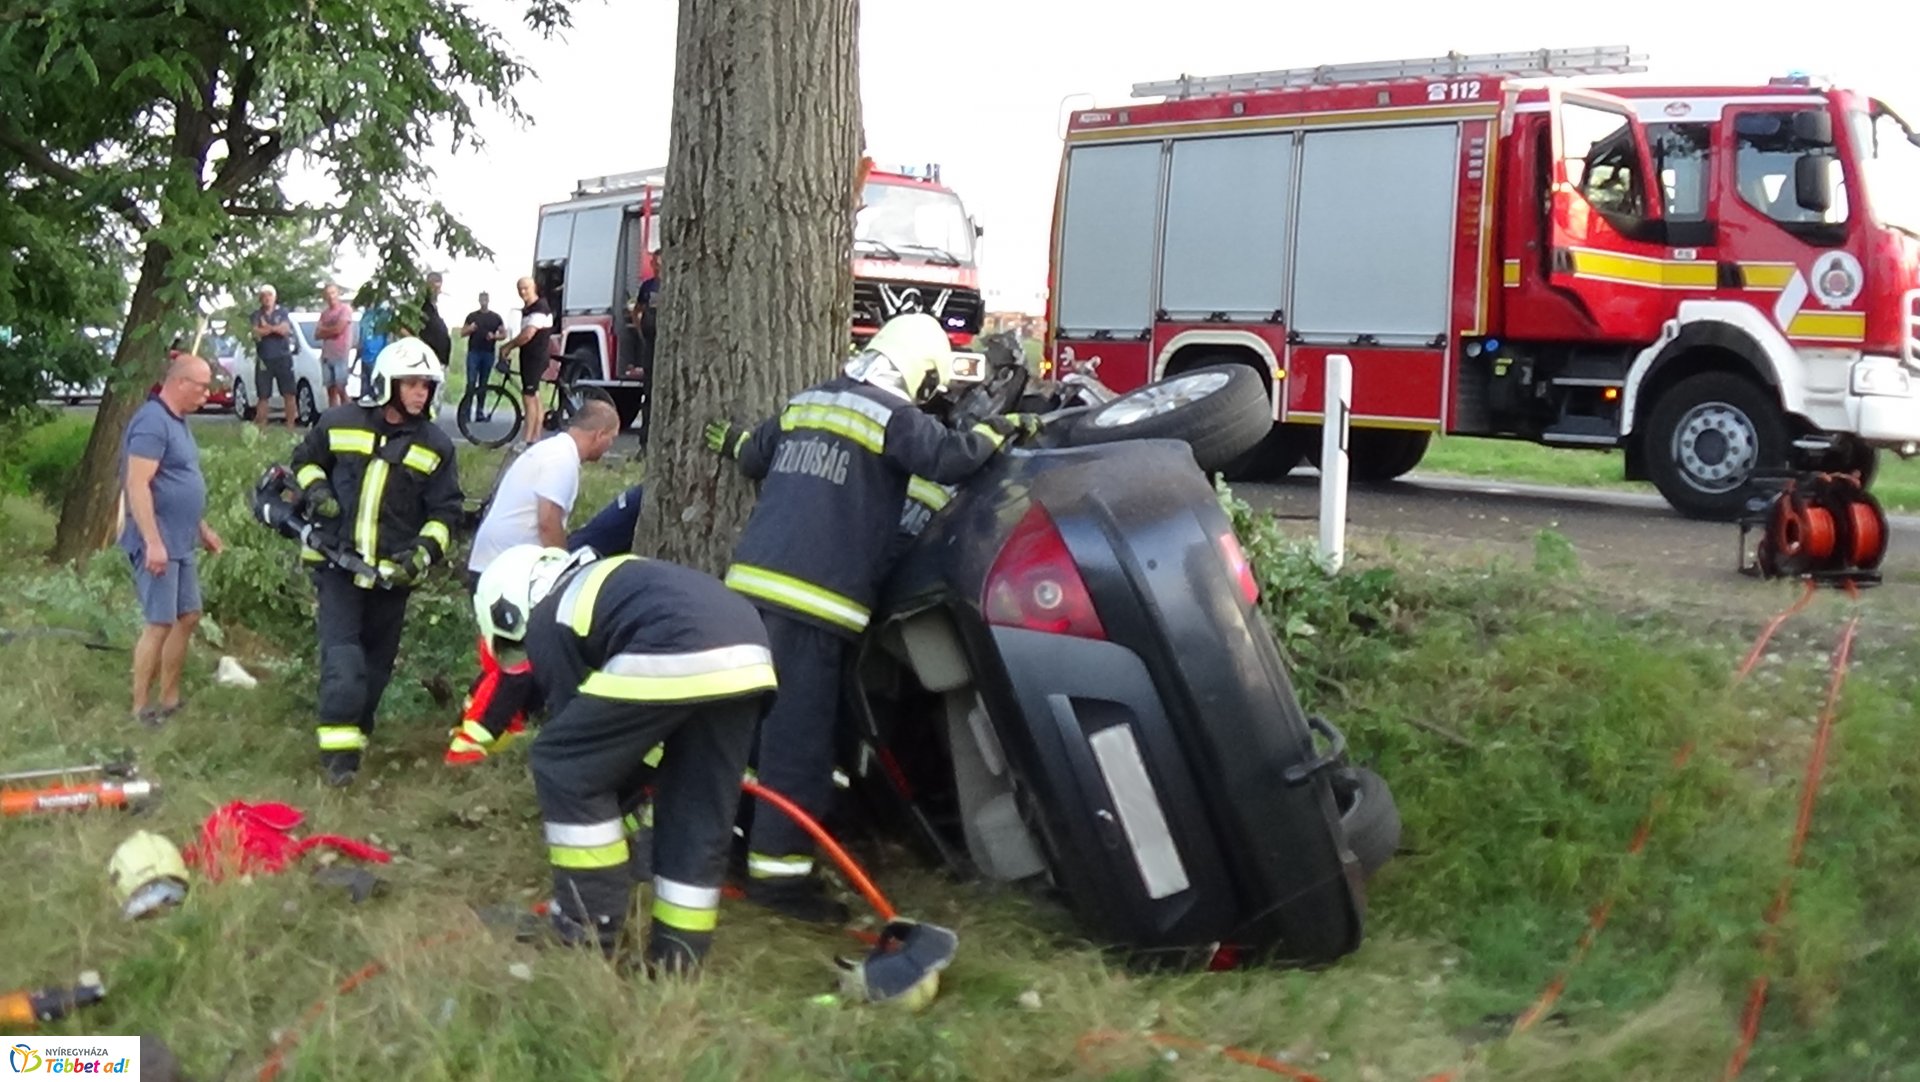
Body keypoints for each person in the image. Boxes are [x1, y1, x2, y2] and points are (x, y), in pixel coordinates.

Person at [706, 312, 1038, 922]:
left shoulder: (806, 403)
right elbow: (949, 457)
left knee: (739, 731)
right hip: (812, 608)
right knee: (798, 745)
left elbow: (753, 454)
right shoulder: (896, 418)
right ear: (920, 373)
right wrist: (1000, 431)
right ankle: (779, 883)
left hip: (745, 596)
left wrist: (726, 440)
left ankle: (708, 848)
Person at [473, 544, 776, 973]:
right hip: (751, 653)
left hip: (676, 643)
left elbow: (583, 751)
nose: (528, 660)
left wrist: (606, 824)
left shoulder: (547, 617)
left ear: (511, 607)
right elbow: (629, 758)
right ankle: (678, 957)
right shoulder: (609, 585)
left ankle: (587, 925)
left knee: (562, 762)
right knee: (696, 805)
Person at [289, 337, 464, 787]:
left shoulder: (436, 446)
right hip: (338, 568)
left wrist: (421, 554)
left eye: (426, 385)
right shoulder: (339, 421)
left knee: (375, 669)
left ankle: (356, 736)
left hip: (392, 578)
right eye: (411, 384)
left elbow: (446, 513)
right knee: (343, 661)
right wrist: (318, 492)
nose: (420, 393)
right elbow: (305, 462)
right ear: (387, 384)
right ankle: (338, 765)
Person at [447, 399, 621, 766]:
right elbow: (548, 521)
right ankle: (473, 740)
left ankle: (488, 723)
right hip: (508, 575)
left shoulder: (549, 451)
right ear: (600, 433)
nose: (610, 449)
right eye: (612, 440)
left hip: (498, 565)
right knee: (517, 664)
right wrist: (562, 573)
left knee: (507, 660)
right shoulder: (562, 462)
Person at [120, 353, 224, 726]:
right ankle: (141, 708)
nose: (208, 393)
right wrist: (153, 542)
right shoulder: (151, 422)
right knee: (159, 622)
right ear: (180, 383)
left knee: (188, 615)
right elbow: (138, 484)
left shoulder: (178, 422)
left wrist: (202, 528)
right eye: (202, 386)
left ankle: (169, 698)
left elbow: (180, 482)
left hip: (182, 540)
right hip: (158, 543)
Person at [505, 276, 555, 449]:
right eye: (520, 289)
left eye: (526, 288)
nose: (522, 292)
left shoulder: (540, 307)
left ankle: (527, 440)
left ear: (534, 287)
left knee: (529, 397)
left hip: (535, 357)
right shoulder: (528, 309)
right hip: (530, 357)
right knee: (535, 397)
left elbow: (527, 334)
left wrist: (508, 346)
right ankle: (535, 438)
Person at [250, 285, 298, 433]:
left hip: (283, 357)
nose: (267, 298)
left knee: (289, 393)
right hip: (264, 359)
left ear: (275, 297)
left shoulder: (282, 312)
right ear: (260, 298)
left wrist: (268, 328)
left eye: (270, 295)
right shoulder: (256, 315)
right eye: (264, 296)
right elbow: (255, 332)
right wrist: (273, 329)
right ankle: (261, 429)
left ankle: (290, 427)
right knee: (263, 395)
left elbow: (285, 330)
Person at [458, 292, 507, 422]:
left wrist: (494, 336)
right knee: (471, 383)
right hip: (474, 352)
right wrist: (471, 328)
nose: (484, 301)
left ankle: (479, 412)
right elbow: (462, 332)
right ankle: (466, 413)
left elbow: (504, 334)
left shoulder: (495, 317)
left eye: (486, 299)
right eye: (482, 299)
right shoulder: (472, 316)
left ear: (489, 300)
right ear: (479, 300)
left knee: (483, 384)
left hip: (488, 353)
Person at [315, 283, 356, 408]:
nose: (331, 296)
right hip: (327, 356)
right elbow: (316, 334)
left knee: (341, 388)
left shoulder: (345, 309)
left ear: (338, 294)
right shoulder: (325, 313)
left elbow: (339, 329)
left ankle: (348, 416)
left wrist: (325, 330)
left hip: (340, 354)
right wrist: (329, 331)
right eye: (328, 294)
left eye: (333, 293)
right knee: (330, 389)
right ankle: (333, 417)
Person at [419, 271, 452, 371]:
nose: (438, 291)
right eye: (435, 287)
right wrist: (419, 345)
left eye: (439, 288)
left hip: (439, 360)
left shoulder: (434, 308)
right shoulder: (422, 305)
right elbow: (402, 328)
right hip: (427, 361)